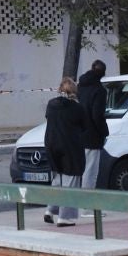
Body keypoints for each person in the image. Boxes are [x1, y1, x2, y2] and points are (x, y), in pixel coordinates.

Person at [42, 77, 86, 227]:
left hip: (51, 144)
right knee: (70, 180)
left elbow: (49, 118)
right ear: (74, 91)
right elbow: (84, 126)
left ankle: (50, 210)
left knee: (57, 179)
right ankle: (64, 217)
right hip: (70, 147)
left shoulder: (51, 104)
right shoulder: (77, 108)